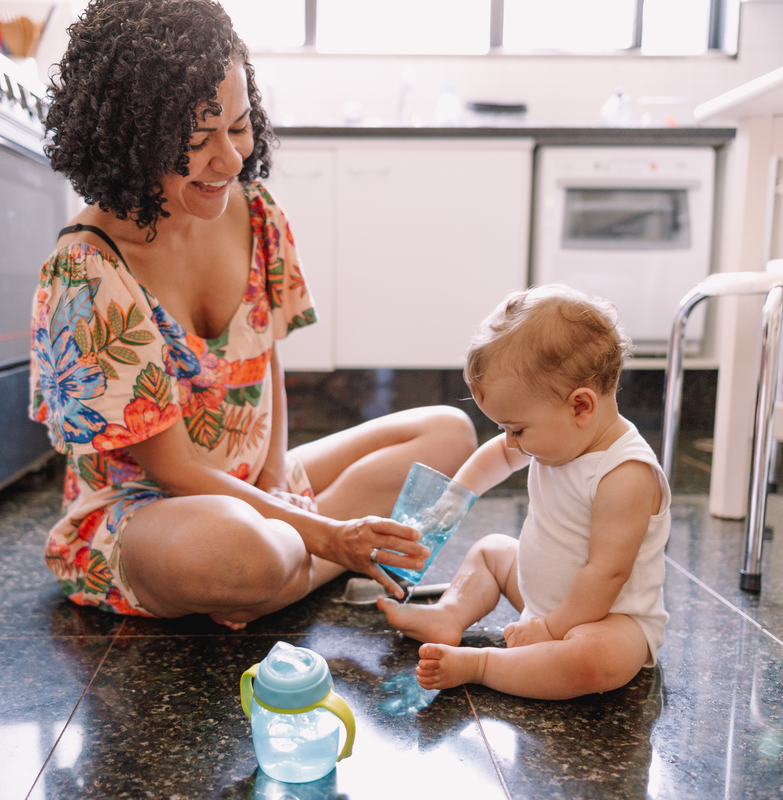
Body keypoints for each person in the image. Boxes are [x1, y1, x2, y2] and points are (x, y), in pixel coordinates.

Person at [29, 0, 476, 629]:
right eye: (195, 141)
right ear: (129, 143)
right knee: (242, 550)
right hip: (152, 511)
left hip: (254, 484)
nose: (232, 159)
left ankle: (290, 565)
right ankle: (304, 560)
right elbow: (177, 471)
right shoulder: (87, 268)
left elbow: (265, 358)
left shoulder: (253, 208)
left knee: (448, 435)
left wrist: (276, 481)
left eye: (238, 126)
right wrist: (326, 534)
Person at [378, 285, 670, 700]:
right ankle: (449, 613)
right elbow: (495, 456)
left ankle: (483, 665)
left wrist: (550, 630)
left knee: (593, 658)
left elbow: (607, 574)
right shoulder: (561, 433)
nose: (510, 443)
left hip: (607, 618)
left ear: (581, 406)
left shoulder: (625, 474)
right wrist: (455, 498)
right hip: (542, 600)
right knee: (491, 551)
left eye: (516, 429)